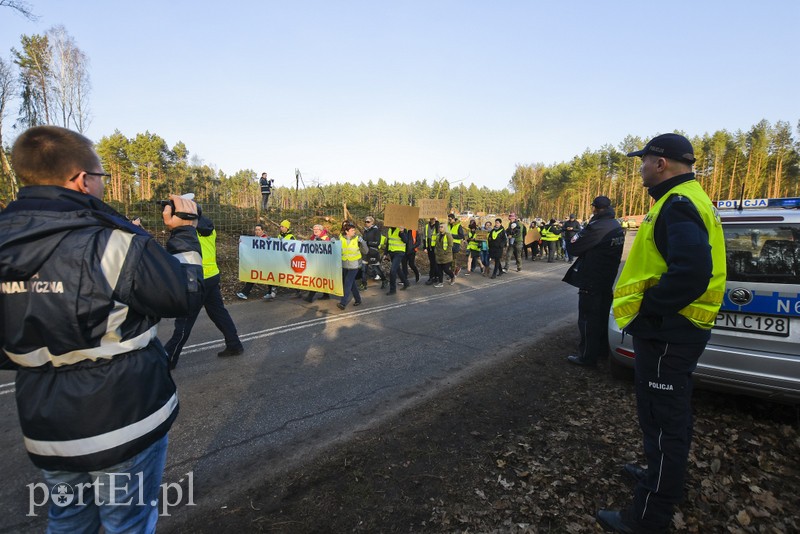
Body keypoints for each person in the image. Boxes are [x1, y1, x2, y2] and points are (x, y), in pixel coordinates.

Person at [0, 125, 204, 532]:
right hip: (121, 416)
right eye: (101, 177)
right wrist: (183, 233)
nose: (101, 186)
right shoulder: (112, 243)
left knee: (68, 521)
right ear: (80, 179)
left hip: (44, 420)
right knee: (126, 523)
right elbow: (181, 295)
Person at [596, 133, 726, 534]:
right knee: (670, 416)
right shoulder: (686, 199)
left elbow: (691, 271)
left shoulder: (679, 204)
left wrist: (651, 314)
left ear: (661, 163)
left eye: (643, 160)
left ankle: (649, 515)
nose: (639, 168)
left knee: (663, 421)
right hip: (678, 331)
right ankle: (660, 475)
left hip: (670, 332)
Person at [164, 213, 244, 368]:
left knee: (185, 320)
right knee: (218, 313)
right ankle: (234, 344)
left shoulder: (189, 232)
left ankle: (169, 359)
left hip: (196, 278)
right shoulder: (209, 228)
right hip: (212, 275)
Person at [562, 196, 625, 367]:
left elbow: (574, 247)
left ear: (596, 208)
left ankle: (587, 356)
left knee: (588, 319)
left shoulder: (598, 227)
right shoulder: (616, 225)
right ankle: (602, 351)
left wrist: (575, 236)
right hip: (606, 279)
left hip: (592, 279)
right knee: (603, 316)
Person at [236, 224, 273, 300]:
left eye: (259, 230)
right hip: (257, 262)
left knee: (268, 277)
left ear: (262, 230)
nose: (257, 231)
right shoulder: (253, 239)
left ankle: (271, 292)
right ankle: (245, 293)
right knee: (252, 276)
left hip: (265, 262)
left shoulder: (266, 239)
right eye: (256, 230)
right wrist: (242, 242)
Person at [338, 221, 369, 309]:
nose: (354, 232)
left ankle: (343, 303)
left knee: (347, 283)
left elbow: (366, 251)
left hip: (354, 265)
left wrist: (362, 242)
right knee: (352, 284)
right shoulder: (341, 238)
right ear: (346, 232)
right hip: (344, 264)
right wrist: (333, 243)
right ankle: (358, 299)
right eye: (352, 230)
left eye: (354, 230)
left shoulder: (357, 239)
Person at [304, 224, 332, 303]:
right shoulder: (313, 238)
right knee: (321, 278)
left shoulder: (325, 238)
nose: (315, 231)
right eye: (314, 229)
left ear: (321, 230)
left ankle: (310, 297)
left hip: (322, 262)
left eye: (317, 229)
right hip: (314, 261)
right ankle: (326, 295)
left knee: (315, 279)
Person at [361, 216, 387, 290]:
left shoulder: (376, 231)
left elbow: (377, 242)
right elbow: (363, 241)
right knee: (364, 269)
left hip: (373, 252)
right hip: (365, 252)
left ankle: (384, 280)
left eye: (368, 221)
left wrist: (368, 242)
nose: (366, 223)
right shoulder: (365, 231)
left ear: (372, 222)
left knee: (376, 268)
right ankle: (364, 284)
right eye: (365, 221)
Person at [385, 226, 410, 295]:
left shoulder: (402, 228)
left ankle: (392, 290)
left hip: (399, 252)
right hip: (392, 252)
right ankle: (406, 282)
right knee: (397, 269)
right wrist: (385, 253)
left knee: (393, 270)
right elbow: (388, 242)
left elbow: (406, 240)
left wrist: (401, 232)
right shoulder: (390, 229)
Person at [433, 222, 455, 287]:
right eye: (439, 227)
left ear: (445, 228)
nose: (440, 228)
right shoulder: (438, 235)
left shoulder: (448, 235)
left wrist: (446, 252)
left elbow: (450, 245)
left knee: (446, 270)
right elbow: (436, 245)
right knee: (439, 270)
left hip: (446, 256)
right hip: (438, 255)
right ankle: (440, 282)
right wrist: (435, 251)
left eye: (442, 227)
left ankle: (452, 277)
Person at [422, 217, 440, 285]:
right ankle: (436, 276)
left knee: (434, 263)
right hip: (429, 248)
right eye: (431, 218)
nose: (432, 220)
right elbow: (424, 237)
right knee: (433, 263)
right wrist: (424, 247)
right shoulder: (426, 226)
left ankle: (432, 277)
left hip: (436, 247)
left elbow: (439, 234)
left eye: (434, 219)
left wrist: (437, 224)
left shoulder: (438, 226)